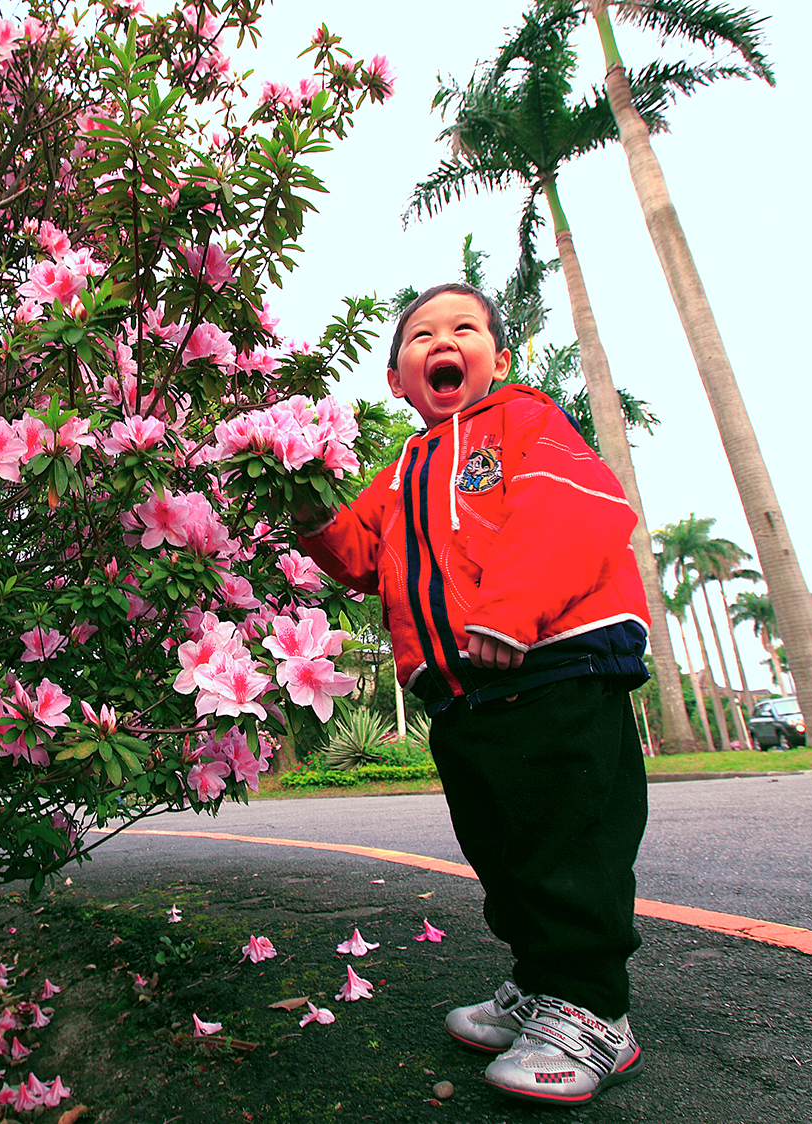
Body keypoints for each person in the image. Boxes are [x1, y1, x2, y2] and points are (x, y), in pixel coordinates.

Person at [292, 283, 652, 1105]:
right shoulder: (401, 470)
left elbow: (570, 511)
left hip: (553, 672)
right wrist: (306, 501)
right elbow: (356, 554)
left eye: (463, 329)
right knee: (506, 852)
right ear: (396, 379)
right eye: (421, 335)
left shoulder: (525, 423)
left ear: (501, 359)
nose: (442, 341)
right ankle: (542, 987)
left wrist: (510, 611)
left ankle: (596, 1013)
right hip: (463, 697)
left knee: (568, 849)